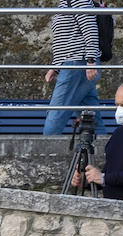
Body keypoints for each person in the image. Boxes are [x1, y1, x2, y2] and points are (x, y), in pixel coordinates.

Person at [42, 0, 103, 136]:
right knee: (91, 116)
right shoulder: (65, 2)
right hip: (74, 64)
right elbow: (65, 40)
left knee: (55, 115)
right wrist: (56, 67)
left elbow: (90, 29)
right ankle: (104, 153)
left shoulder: (78, 0)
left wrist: (91, 60)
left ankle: (45, 154)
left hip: (77, 64)